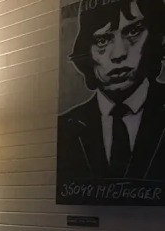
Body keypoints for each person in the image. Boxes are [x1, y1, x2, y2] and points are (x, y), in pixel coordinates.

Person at [58, 0, 165, 183]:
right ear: (86, 52)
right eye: (102, 40)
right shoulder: (66, 127)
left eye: (133, 32)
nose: (118, 54)